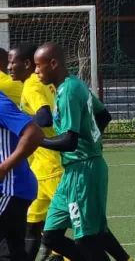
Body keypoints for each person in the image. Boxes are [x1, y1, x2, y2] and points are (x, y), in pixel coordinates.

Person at [34, 42, 131, 261]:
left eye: (39, 66)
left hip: (83, 170)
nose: (36, 71)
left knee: (86, 239)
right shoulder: (74, 85)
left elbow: (69, 141)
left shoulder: (69, 91)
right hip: (73, 172)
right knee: (51, 237)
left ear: (53, 63)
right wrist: (91, 139)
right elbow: (103, 116)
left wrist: (38, 141)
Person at [8, 43, 65, 261]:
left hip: (52, 167)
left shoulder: (32, 85)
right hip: (41, 168)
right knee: (32, 222)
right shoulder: (40, 82)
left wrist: (18, 120)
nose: (9, 67)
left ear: (26, 64)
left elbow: (44, 118)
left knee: (82, 227)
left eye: (12, 62)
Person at [0, 84, 43, 261]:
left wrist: (4, 168)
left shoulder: (1, 104)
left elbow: (34, 133)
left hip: (9, 188)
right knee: (12, 253)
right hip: (15, 190)